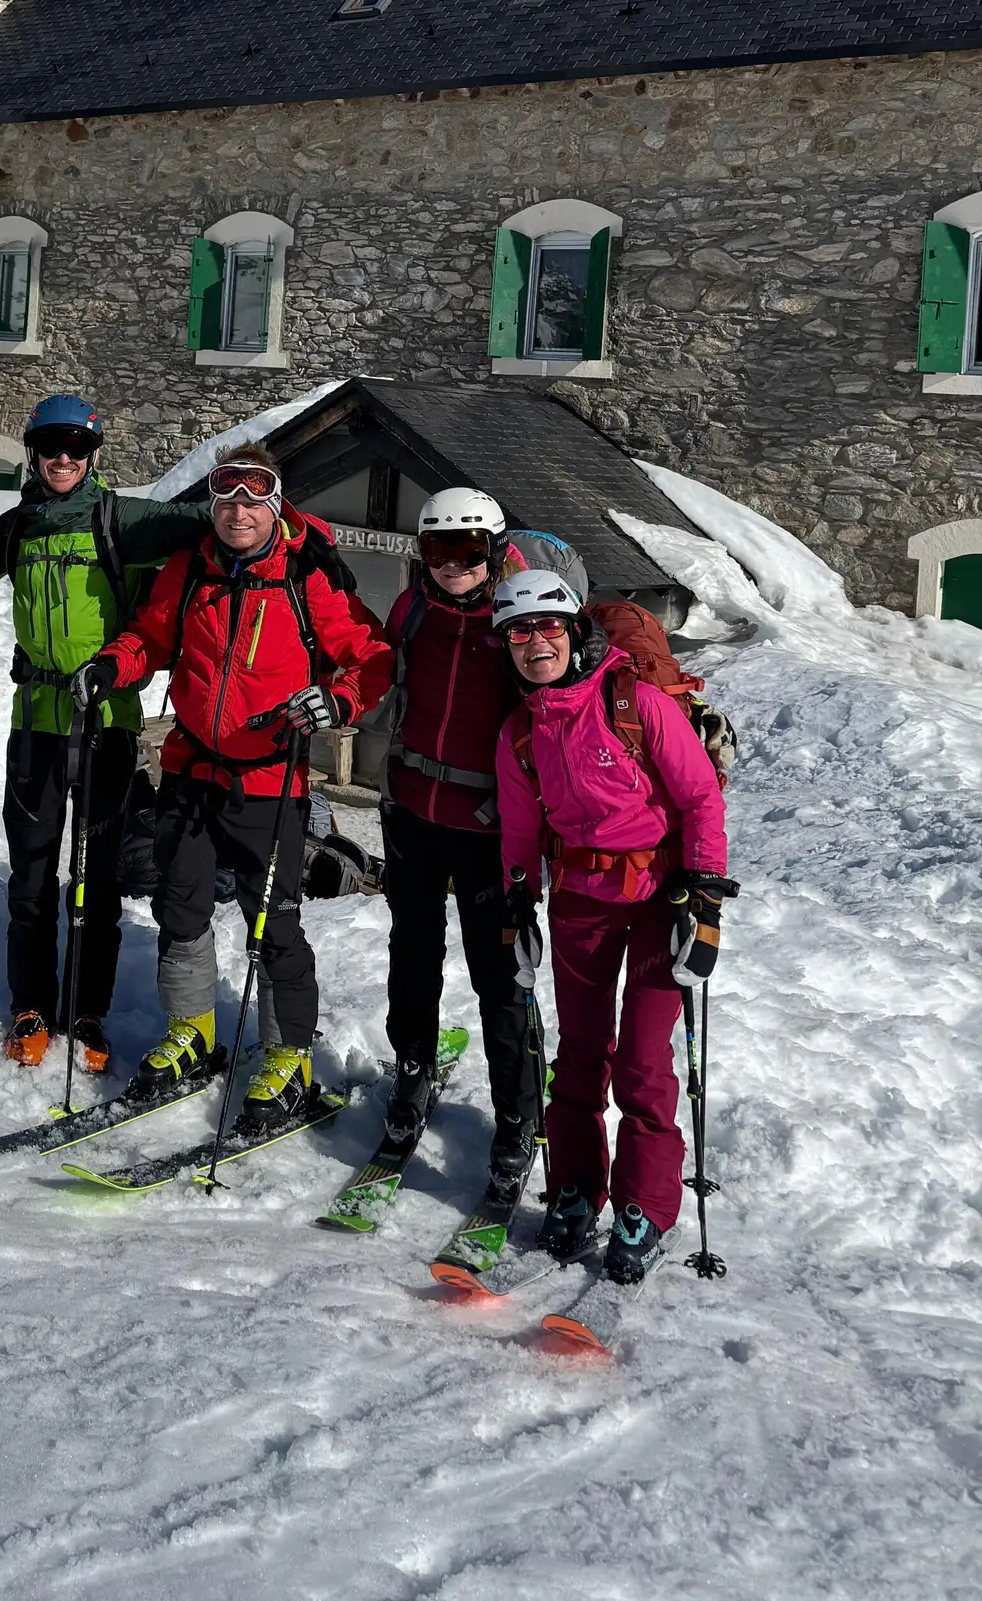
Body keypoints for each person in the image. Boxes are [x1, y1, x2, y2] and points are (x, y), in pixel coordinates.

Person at [79, 442, 396, 1135]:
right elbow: (151, 636)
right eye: (227, 499)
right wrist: (113, 665)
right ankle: (192, 1032)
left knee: (272, 919)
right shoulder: (191, 567)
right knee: (181, 905)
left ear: (275, 504)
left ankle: (289, 1058)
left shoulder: (308, 573)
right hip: (192, 771)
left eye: (254, 499)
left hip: (270, 777)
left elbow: (371, 657)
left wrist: (337, 702)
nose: (239, 512)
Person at [493, 568, 734, 1284]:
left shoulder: (635, 703)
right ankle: (574, 1189)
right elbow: (517, 833)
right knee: (579, 1055)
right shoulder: (521, 734)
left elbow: (699, 800)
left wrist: (705, 900)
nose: (535, 643)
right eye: (518, 632)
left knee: (642, 1062)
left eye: (547, 627)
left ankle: (646, 1208)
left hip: (661, 897)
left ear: (574, 631)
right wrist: (515, 903)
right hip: (579, 899)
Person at [0, 394, 212, 1074]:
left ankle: (87, 1009)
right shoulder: (18, 527)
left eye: (78, 447)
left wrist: (277, 512)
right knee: (32, 876)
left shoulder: (121, 520)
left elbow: (210, 522)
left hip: (106, 724)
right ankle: (31, 1005)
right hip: (36, 725)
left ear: (94, 455)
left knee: (96, 877)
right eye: (52, 446)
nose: (65, 458)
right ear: (33, 452)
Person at [379, 488, 542, 1192]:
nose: (453, 564)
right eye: (439, 549)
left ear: (495, 551)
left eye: (468, 550)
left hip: (489, 829)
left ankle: (516, 1115)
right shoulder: (412, 610)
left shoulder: (520, 621)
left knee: (499, 978)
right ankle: (412, 1072)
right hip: (413, 809)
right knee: (411, 958)